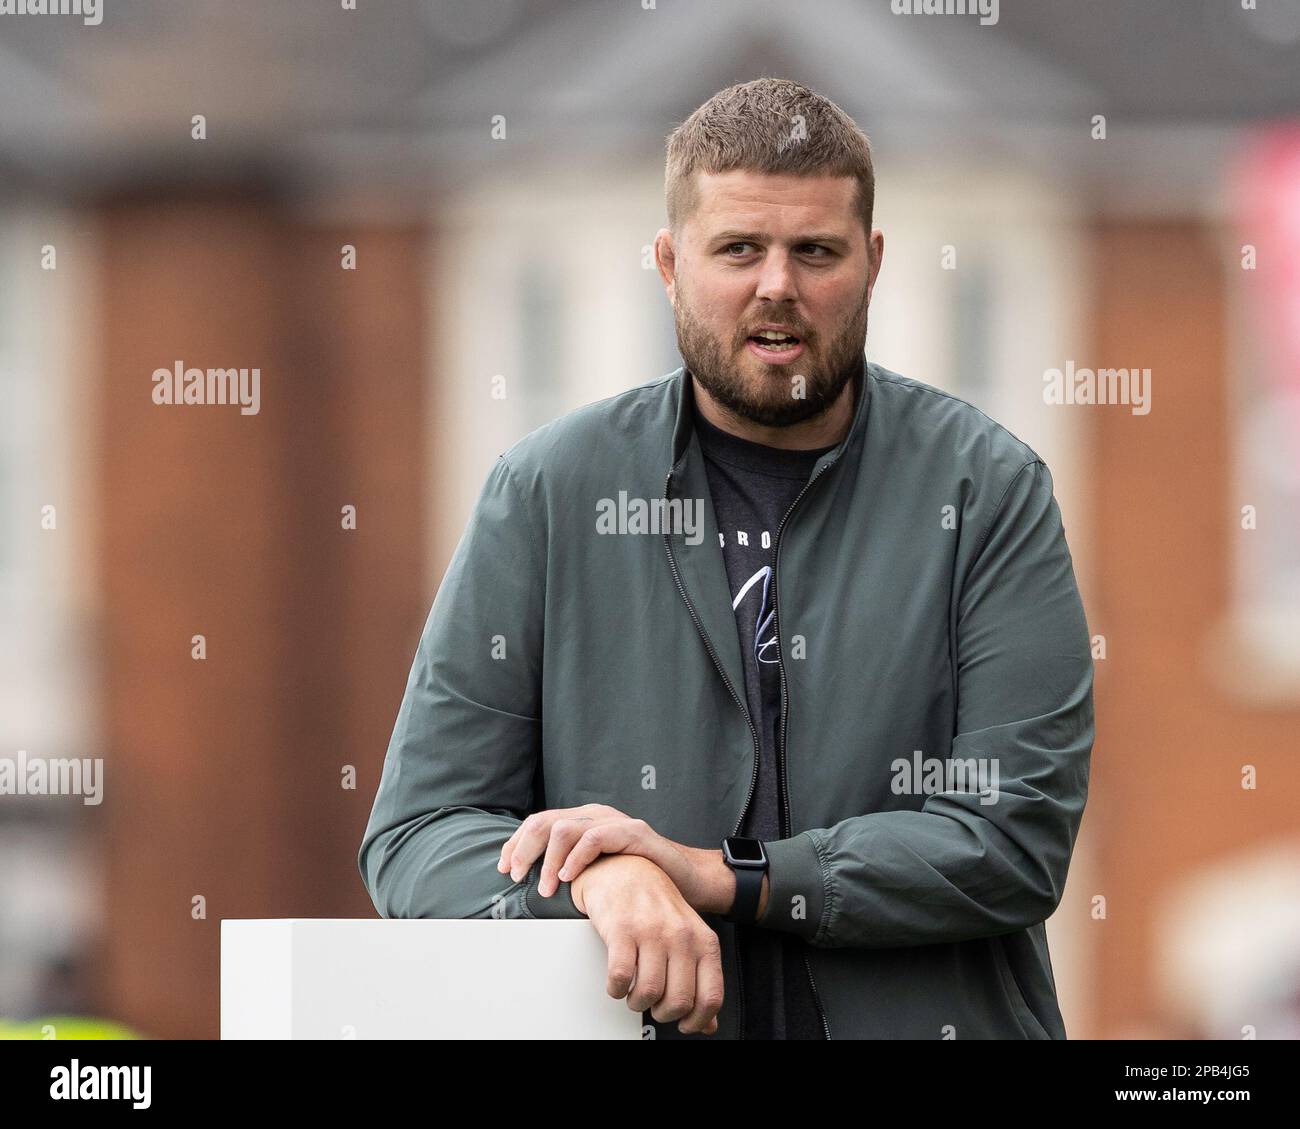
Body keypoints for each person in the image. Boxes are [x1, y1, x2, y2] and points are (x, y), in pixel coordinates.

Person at [358, 77, 1094, 1040]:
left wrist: (720, 873)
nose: (777, 284)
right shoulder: (546, 494)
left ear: (872, 264)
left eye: (815, 251)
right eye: (738, 247)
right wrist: (598, 878)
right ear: (669, 264)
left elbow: (1011, 837)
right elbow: (419, 837)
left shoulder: (988, 491)